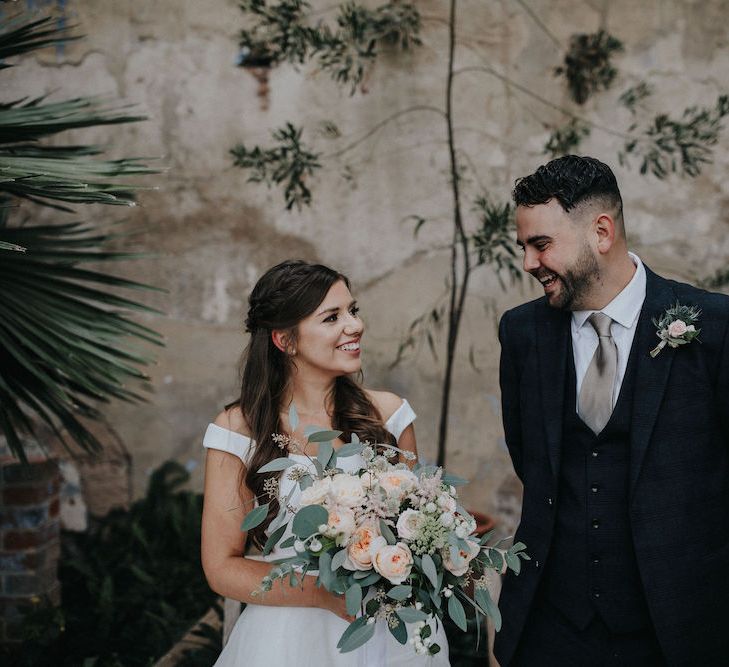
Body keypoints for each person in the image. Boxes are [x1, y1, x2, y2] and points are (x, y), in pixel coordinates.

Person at [495, 155, 729, 666]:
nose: (529, 263)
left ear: (601, 231)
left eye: (542, 245)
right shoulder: (522, 334)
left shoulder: (713, 328)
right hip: (551, 627)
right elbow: (529, 459)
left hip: (677, 627)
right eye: (525, 248)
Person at [201, 260, 450, 666]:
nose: (354, 326)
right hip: (289, 638)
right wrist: (322, 593)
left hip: (390, 631)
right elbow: (221, 568)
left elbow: (415, 528)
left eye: (353, 310)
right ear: (285, 340)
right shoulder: (239, 430)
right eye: (332, 317)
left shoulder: (388, 416)